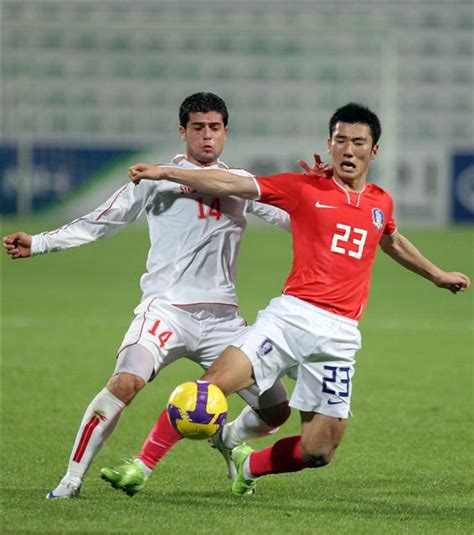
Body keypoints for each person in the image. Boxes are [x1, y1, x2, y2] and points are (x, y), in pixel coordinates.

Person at [125, 102, 470, 496]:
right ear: (330, 143)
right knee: (211, 387)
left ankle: (246, 462)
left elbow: (390, 240)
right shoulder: (303, 188)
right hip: (289, 319)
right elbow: (231, 184)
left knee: (319, 450)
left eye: (358, 142)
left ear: (373, 151)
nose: (348, 150)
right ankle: (141, 465)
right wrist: (164, 172)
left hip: (340, 336)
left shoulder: (380, 203)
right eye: (340, 140)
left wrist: (437, 275)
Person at [3, 92, 326, 499]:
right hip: (166, 311)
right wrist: (41, 243)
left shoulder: (241, 185)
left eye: (214, 128)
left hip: (223, 321)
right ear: (182, 132)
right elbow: (101, 220)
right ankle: (70, 480)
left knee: (276, 410)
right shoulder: (157, 179)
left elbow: (297, 221)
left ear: (226, 132)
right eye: (197, 128)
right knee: (124, 383)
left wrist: (322, 190)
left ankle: (227, 439)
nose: (206, 136)